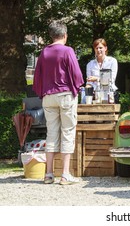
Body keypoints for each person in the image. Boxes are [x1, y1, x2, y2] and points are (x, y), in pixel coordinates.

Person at [33, 20, 84, 185]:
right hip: (65, 95)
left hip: (48, 97)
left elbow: (37, 78)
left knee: (51, 133)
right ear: (65, 35)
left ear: (51, 35)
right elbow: (77, 75)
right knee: (67, 132)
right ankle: (65, 175)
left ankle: (48, 174)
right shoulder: (67, 50)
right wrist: (76, 89)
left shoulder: (44, 52)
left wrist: (43, 93)